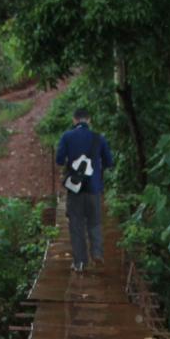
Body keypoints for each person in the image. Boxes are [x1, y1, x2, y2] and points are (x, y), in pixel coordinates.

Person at [54, 107, 113, 272]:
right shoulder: (98, 138)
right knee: (94, 222)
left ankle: (79, 262)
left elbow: (59, 159)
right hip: (94, 188)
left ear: (74, 120)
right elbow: (108, 162)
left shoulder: (66, 136)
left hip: (75, 189)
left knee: (76, 224)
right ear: (89, 120)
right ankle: (97, 253)